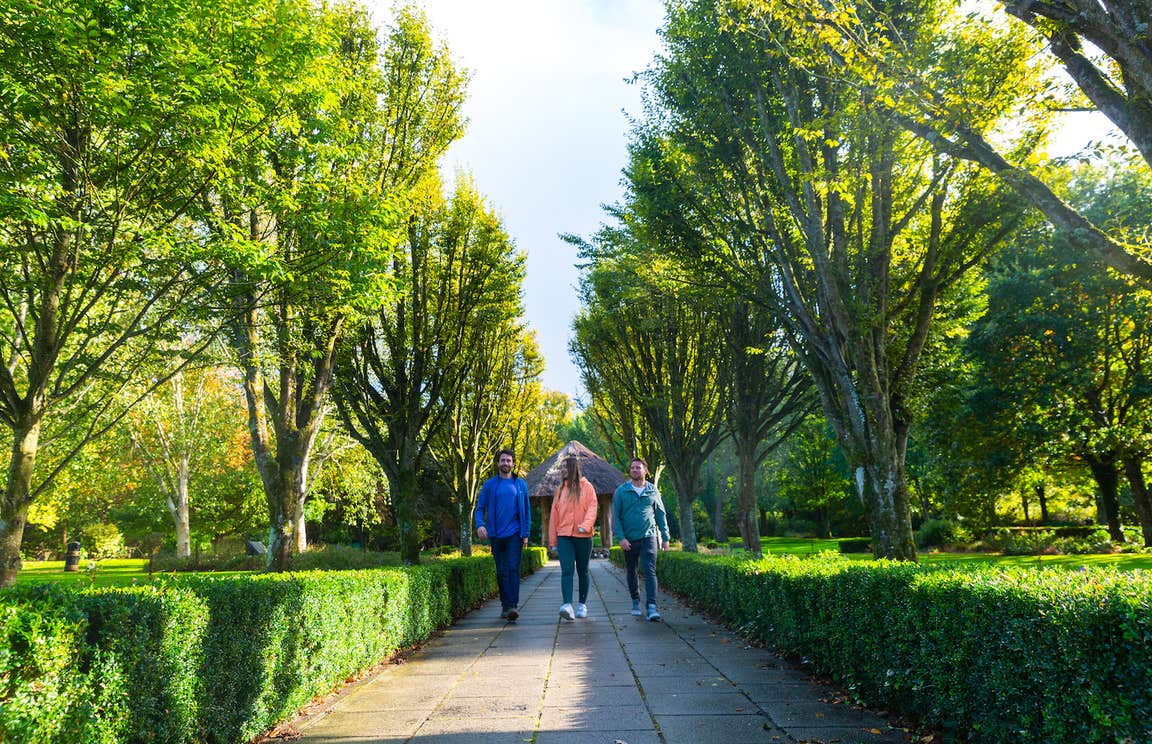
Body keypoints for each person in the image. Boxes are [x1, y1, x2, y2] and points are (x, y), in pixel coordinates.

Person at [475, 448, 531, 622]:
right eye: (503, 460)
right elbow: (480, 508)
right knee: (501, 571)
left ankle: (512, 606)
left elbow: (526, 511)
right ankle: (505, 606)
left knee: (513, 568)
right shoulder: (490, 485)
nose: (506, 463)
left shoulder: (520, 484)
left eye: (509, 460)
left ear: (513, 463)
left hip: (515, 534)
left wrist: (526, 532)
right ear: (498, 463)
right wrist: (480, 525)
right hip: (496, 535)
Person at [612, 457, 670, 621]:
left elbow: (660, 514)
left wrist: (665, 538)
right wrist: (621, 538)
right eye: (632, 468)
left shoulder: (653, 491)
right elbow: (616, 516)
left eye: (638, 468)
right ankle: (635, 601)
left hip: (649, 536)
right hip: (629, 539)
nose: (635, 470)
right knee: (631, 570)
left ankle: (652, 606)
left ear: (645, 471)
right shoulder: (621, 491)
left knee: (650, 570)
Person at [548, 455, 599, 621]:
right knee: (566, 571)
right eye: (561, 467)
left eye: (565, 467)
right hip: (564, 536)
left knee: (582, 571)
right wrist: (553, 540)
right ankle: (567, 605)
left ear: (573, 468)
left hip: (583, 536)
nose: (562, 470)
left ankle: (582, 604)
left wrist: (586, 524)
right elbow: (553, 516)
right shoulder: (560, 490)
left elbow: (592, 507)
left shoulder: (588, 487)